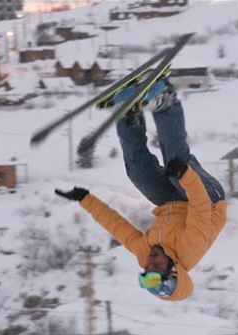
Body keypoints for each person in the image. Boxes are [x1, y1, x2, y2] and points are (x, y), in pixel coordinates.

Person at [56, 80, 227, 301]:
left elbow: (118, 227)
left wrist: (85, 198)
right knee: (176, 164)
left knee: (138, 173)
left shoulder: (144, 253)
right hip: (208, 200)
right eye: (157, 265)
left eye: (148, 267)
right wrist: (186, 175)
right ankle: (167, 101)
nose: (151, 260)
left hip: (172, 205)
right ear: (173, 267)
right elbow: (201, 208)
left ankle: (130, 116)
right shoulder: (190, 249)